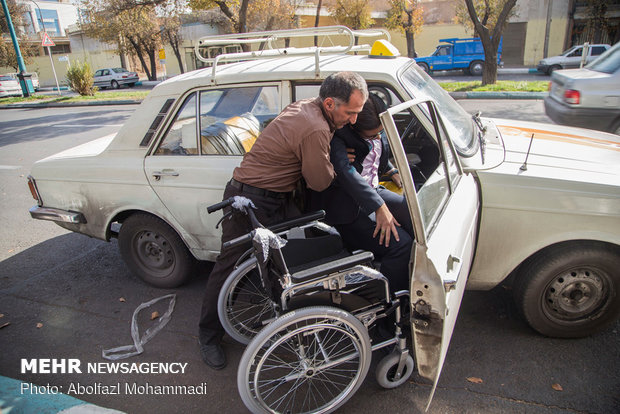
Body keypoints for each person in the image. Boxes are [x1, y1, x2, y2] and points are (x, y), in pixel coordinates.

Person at [198, 71, 368, 370]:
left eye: (358, 113)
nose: (353, 120)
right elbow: (319, 181)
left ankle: (290, 319)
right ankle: (208, 336)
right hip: (251, 201)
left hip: (277, 198)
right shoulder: (315, 127)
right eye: (350, 112)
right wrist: (335, 163)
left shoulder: (308, 106)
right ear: (329, 103)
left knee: (295, 257)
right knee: (228, 268)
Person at [311, 93, 413, 292]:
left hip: (373, 190)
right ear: (352, 123)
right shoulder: (338, 138)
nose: (377, 137)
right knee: (402, 245)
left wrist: (391, 170)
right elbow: (347, 173)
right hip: (348, 206)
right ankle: (391, 304)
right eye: (371, 135)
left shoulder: (377, 126)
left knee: (417, 219)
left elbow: (375, 153)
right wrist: (379, 207)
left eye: (380, 133)